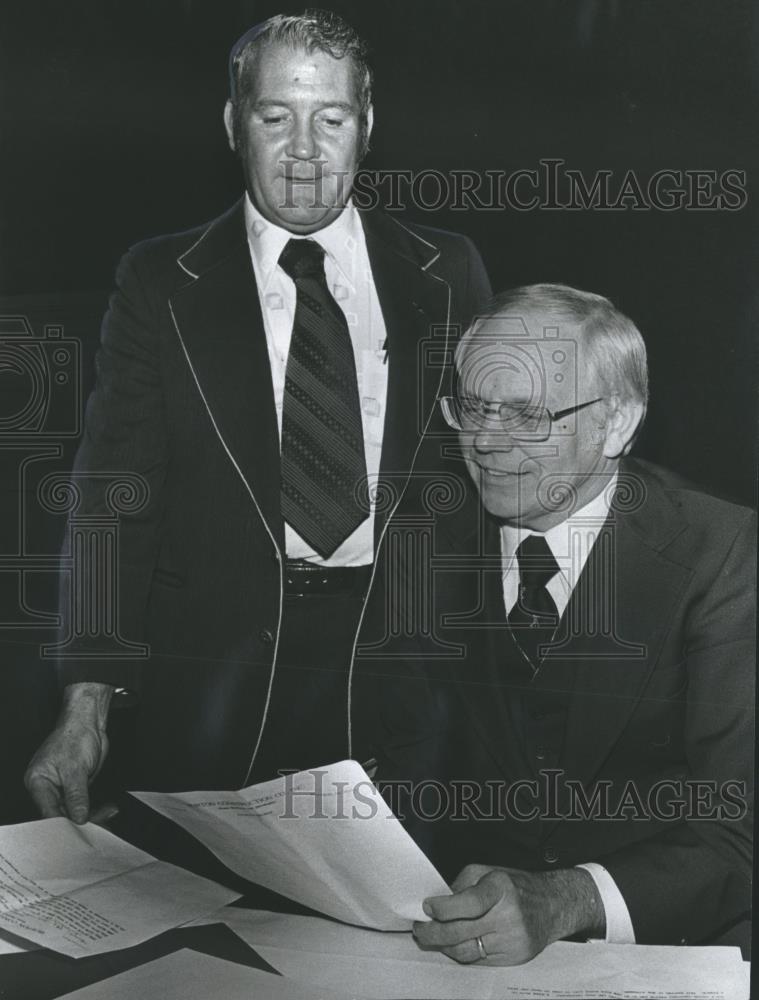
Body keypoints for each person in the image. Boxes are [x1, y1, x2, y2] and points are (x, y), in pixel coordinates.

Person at [24, 10, 491, 821]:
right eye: (276, 118)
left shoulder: (447, 272)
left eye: (331, 119)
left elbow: (483, 487)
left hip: (401, 688)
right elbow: (112, 494)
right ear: (234, 125)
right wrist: (86, 699)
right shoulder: (160, 283)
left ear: (367, 126)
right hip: (213, 688)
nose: (305, 151)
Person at [365, 284, 754, 960]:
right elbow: (409, 768)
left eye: (525, 415)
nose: (483, 441)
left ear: (616, 422)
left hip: (669, 940)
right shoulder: (424, 539)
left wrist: (566, 900)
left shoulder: (719, 553)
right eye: (473, 407)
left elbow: (737, 829)